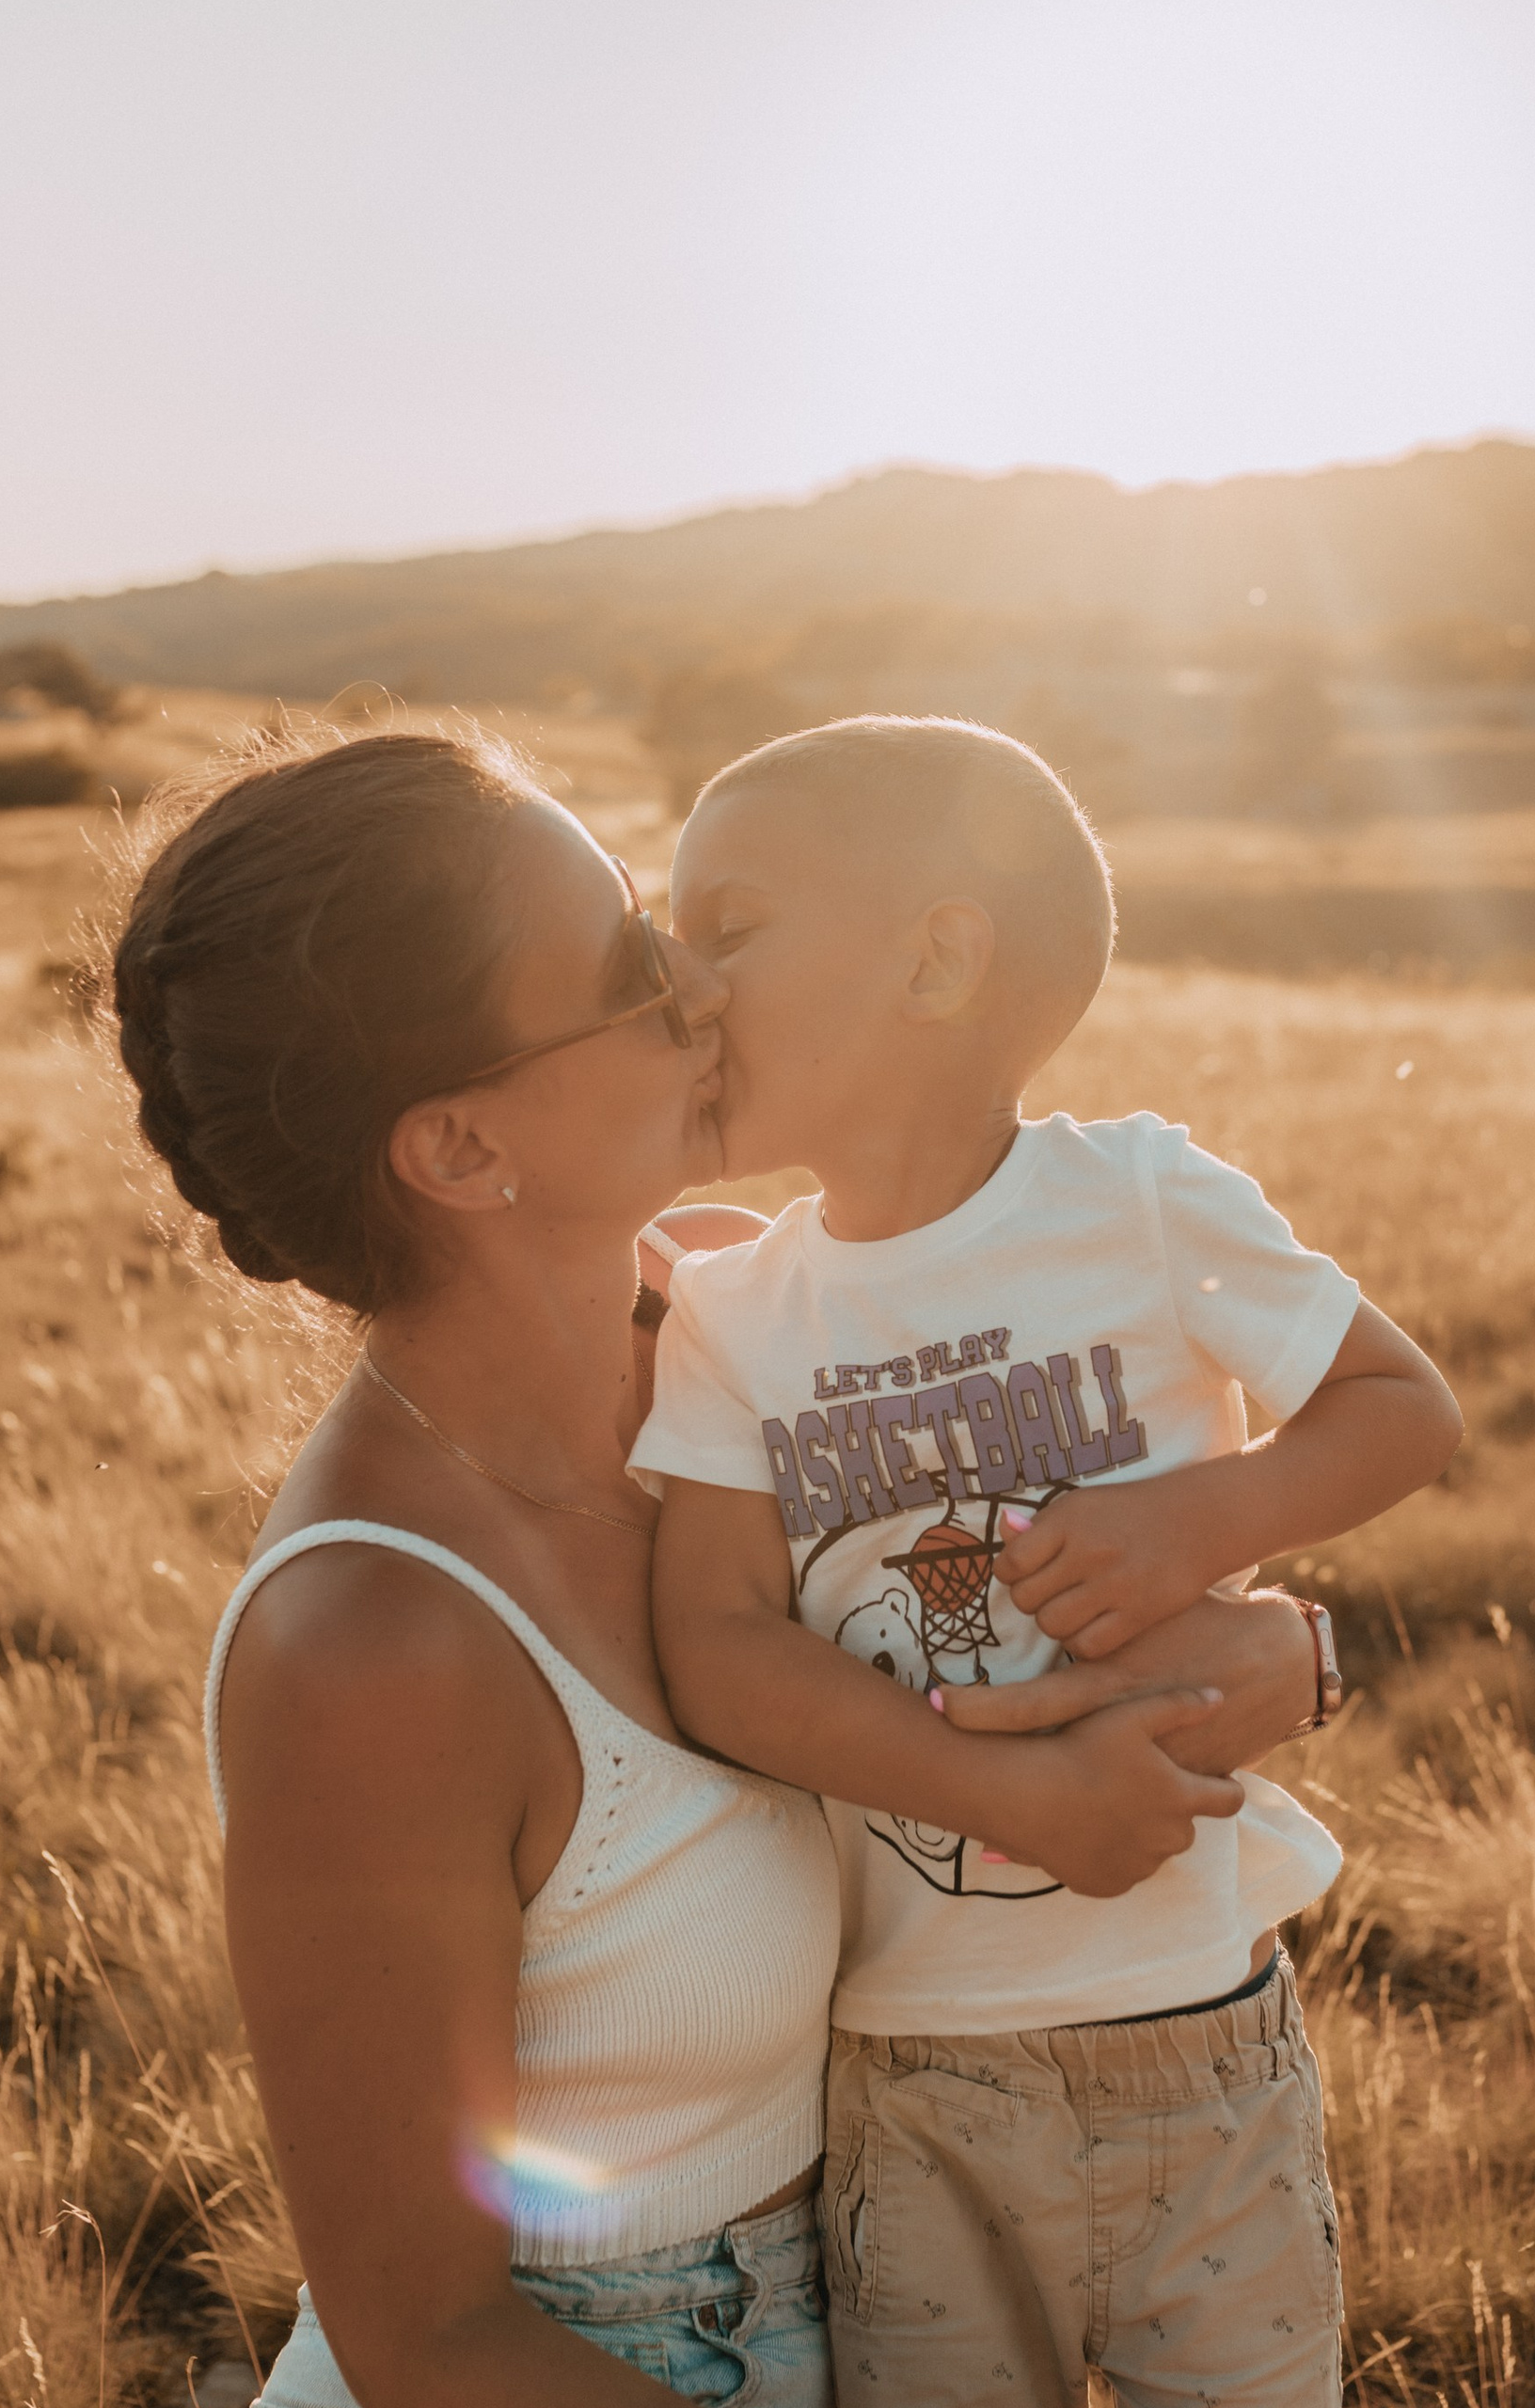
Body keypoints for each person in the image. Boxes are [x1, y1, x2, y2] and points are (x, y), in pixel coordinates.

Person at [108, 726, 1336, 2407]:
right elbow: (425, 2338)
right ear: (461, 1151)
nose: (700, 985)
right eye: (630, 962)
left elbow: (1049, 1571)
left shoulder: (760, 1326)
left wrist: (1288, 1656)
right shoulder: (369, 1643)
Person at [636, 717, 1465, 2408]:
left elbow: (1403, 1408)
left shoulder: (1141, 1200)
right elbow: (714, 1645)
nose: (681, 987)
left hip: (1194, 2031)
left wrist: (1206, 1517)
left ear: (938, 961)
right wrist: (1001, 1791)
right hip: (908, 2061)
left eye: (728, 930)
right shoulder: (733, 1316)